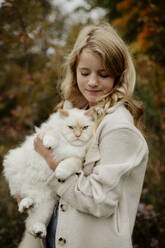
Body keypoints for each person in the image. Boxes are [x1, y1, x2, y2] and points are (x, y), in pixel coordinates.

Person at [24, 23, 149, 248]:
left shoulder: (118, 127)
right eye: (85, 73)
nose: (92, 82)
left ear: (118, 77)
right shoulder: (77, 115)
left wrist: (51, 162)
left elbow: (99, 200)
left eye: (103, 74)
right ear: (74, 71)